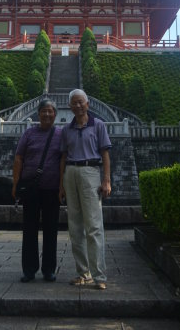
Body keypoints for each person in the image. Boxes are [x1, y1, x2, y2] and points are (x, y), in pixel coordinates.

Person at [59, 88, 112, 290]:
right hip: (70, 173)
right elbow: (63, 158)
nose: (78, 105)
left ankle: (99, 275)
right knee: (75, 226)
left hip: (91, 171)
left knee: (94, 226)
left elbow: (105, 154)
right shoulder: (66, 130)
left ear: (87, 104)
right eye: (74, 103)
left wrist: (106, 180)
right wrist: (60, 185)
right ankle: (83, 273)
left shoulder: (98, 125)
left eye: (81, 102)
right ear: (70, 106)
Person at [12, 98, 62, 283]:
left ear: (55, 115)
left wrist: (63, 186)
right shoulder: (29, 134)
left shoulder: (60, 134)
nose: (47, 114)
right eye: (44, 111)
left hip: (52, 189)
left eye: (50, 111)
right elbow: (18, 158)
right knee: (29, 229)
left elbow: (64, 159)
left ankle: (49, 270)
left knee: (51, 230)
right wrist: (15, 184)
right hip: (31, 189)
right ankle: (29, 270)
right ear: (38, 114)